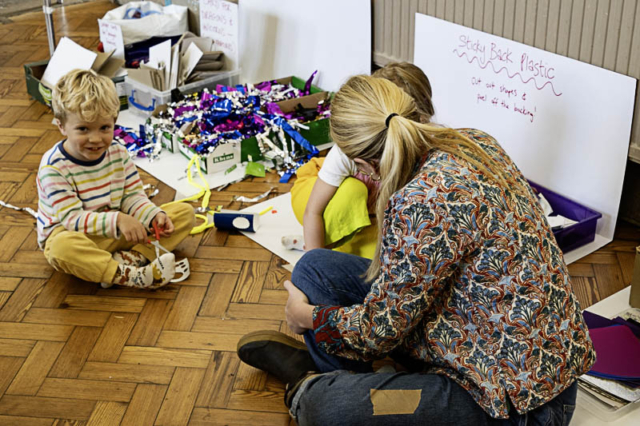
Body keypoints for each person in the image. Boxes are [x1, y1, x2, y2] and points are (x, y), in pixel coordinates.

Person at [238, 74, 595, 425]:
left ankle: (316, 384)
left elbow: (379, 331)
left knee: (325, 407)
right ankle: (343, 380)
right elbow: (398, 300)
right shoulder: (474, 140)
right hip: (475, 336)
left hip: (520, 405)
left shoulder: (419, 201)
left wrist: (309, 318)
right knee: (313, 267)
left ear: (366, 164)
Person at [37, 69, 195, 289]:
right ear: (61, 126)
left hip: (117, 230)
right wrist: (119, 220)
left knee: (184, 214)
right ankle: (130, 275)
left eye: (104, 128)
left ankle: (128, 260)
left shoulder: (118, 152)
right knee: (61, 248)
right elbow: (72, 219)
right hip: (76, 235)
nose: (95, 139)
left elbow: (132, 196)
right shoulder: (53, 168)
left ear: (114, 122)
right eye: (83, 129)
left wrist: (152, 216)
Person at [286, 62, 435, 259]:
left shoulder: (424, 153)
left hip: (369, 214)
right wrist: (315, 261)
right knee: (352, 193)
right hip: (323, 193)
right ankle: (322, 242)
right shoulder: (344, 154)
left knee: (377, 258)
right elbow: (312, 212)